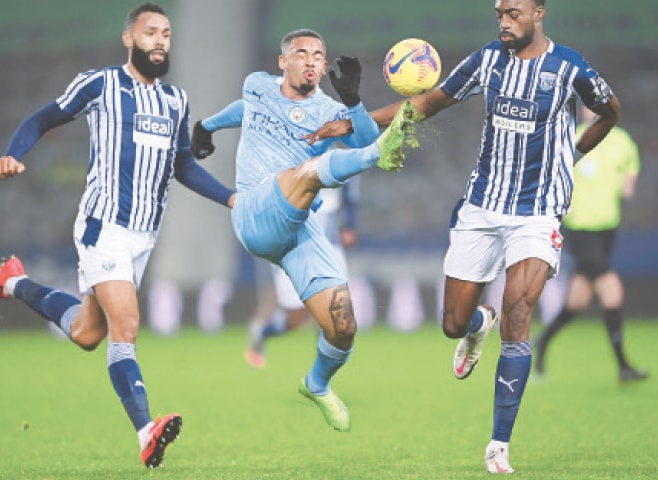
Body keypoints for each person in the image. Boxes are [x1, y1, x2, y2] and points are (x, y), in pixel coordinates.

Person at [311, 0, 620, 472]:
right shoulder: (486, 60)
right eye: (498, 11)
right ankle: (478, 325)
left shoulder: (570, 68)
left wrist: (570, 155)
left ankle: (499, 443)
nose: (503, 19)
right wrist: (356, 122)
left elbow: (609, 111)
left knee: (520, 310)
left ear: (539, 12)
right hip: (482, 207)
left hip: (538, 212)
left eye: (513, 11)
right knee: (451, 323)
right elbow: (427, 104)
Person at [0, 3, 235, 469]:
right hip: (103, 226)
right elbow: (42, 118)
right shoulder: (101, 83)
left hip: (143, 236)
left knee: (87, 332)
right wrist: (12, 154)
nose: (160, 41)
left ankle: (12, 281)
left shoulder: (175, 100)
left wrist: (231, 199)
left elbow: (184, 166)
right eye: (150, 32)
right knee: (126, 326)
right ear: (129, 39)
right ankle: (146, 431)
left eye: (167, 33)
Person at [190, 28, 417, 432]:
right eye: (302, 53)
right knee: (310, 172)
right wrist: (206, 126)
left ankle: (316, 383)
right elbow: (245, 109)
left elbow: (362, 134)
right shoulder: (257, 85)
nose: (312, 60)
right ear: (283, 61)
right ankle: (377, 159)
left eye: (319, 55)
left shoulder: (329, 110)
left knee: (344, 325)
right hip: (254, 211)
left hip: (299, 226)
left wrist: (352, 100)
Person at [534, 105, 646, 383]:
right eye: (585, 106)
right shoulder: (574, 141)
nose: (590, 110)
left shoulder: (622, 140)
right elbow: (552, 175)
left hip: (608, 229)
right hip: (580, 229)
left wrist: (629, 182)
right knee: (611, 290)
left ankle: (542, 341)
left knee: (578, 300)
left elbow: (631, 169)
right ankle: (623, 366)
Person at [245, 183, 359, 369]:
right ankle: (262, 332)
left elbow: (350, 198)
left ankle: (321, 373)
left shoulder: (337, 164)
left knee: (333, 311)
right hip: (295, 249)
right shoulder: (289, 167)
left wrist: (349, 227)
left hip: (329, 248)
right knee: (295, 319)